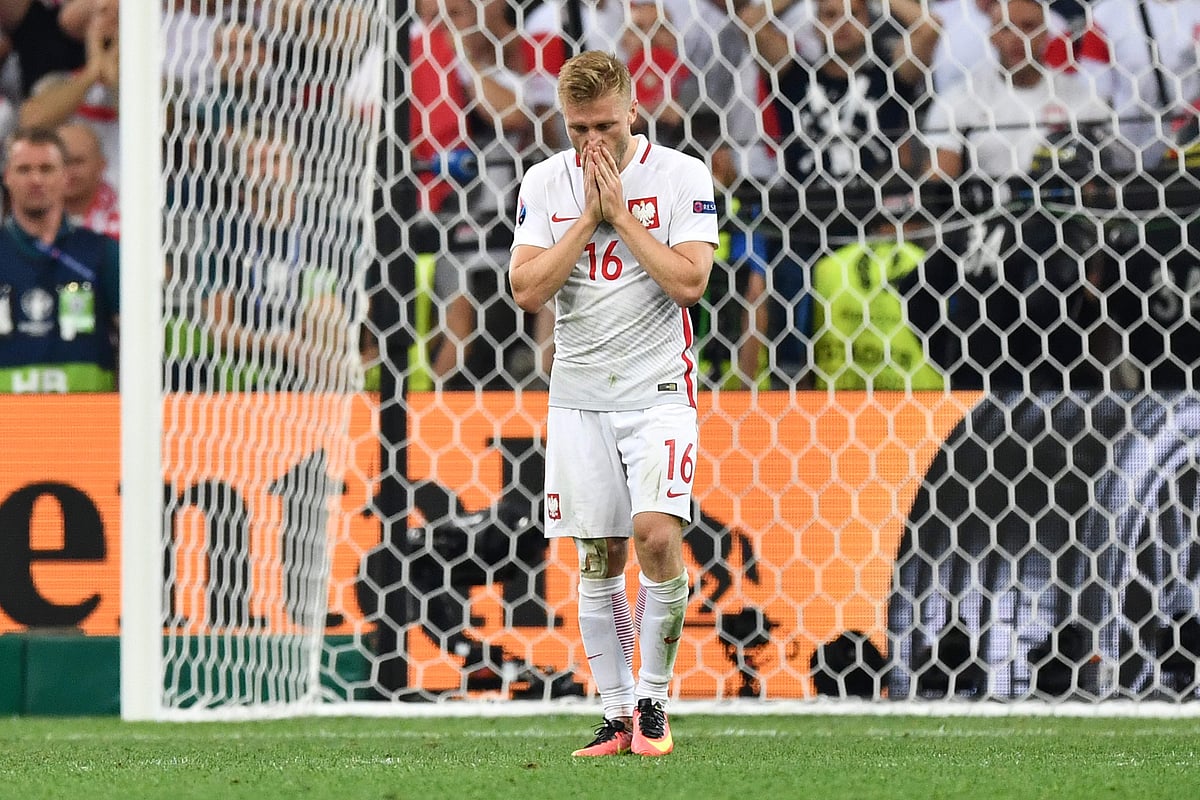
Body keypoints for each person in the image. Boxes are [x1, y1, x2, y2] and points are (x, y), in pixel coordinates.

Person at [509, 51, 717, 756]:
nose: (591, 143)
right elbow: (528, 290)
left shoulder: (682, 174)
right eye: (576, 130)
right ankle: (617, 713)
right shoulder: (545, 182)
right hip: (577, 396)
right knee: (596, 557)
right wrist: (585, 221)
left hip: (658, 390)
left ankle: (655, 702)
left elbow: (690, 283)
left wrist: (622, 219)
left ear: (633, 107)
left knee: (656, 537)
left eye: (602, 125)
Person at [0, 126, 119, 392]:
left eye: (46, 169)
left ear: (65, 176)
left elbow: (136, 338)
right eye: (24, 169)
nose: (36, 180)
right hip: (6, 426)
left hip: (86, 423)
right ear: (7, 177)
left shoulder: (102, 253)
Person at [57, 119, 117, 237]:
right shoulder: (29, 219)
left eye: (78, 162)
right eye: (61, 162)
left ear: (101, 165)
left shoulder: (128, 216)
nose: (69, 172)